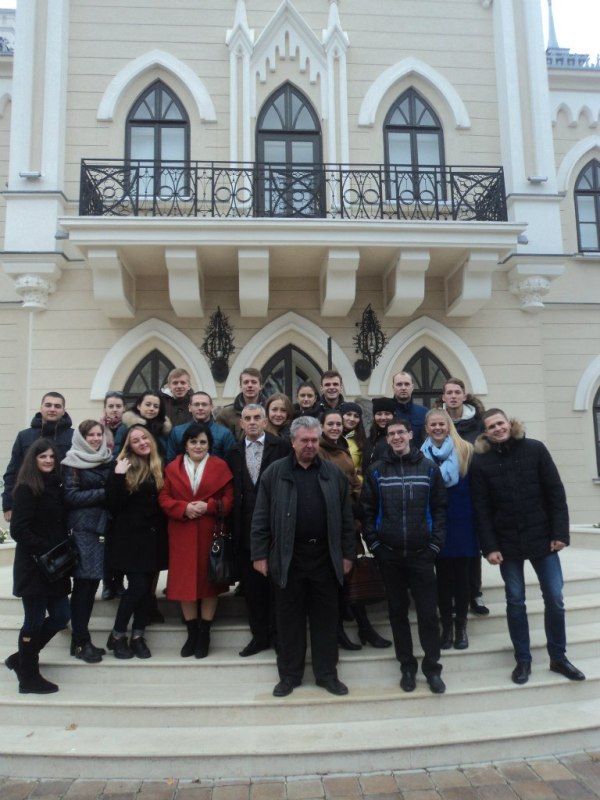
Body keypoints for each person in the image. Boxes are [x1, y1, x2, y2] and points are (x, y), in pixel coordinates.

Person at [470, 408, 585, 685]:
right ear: (486, 432)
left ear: (509, 424)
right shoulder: (481, 462)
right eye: (491, 426)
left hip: (543, 538)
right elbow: (481, 509)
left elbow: (555, 492)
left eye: (500, 423)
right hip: (506, 543)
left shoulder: (535, 449)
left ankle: (558, 657)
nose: (497, 429)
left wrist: (560, 533)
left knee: (555, 598)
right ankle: (523, 660)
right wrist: (489, 547)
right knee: (515, 601)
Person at [251, 416, 355, 697]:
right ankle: (289, 676)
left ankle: (327, 675)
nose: (310, 445)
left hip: (325, 558)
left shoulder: (333, 474)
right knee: (288, 622)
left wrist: (347, 555)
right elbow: (260, 517)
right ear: (293, 441)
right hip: (288, 558)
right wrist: (259, 554)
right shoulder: (274, 473)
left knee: (326, 620)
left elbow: (346, 518)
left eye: (314, 440)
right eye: (304, 440)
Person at [361, 419, 447, 694]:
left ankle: (432, 668)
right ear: (386, 439)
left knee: (428, 615)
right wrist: (376, 546)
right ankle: (407, 667)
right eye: (391, 434)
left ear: (410, 435)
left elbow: (440, 508)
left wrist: (435, 545)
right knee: (397, 613)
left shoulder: (429, 468)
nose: (396, 437)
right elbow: (366, 511)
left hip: (422, 555)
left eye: (401, 432)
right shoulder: (376, 471)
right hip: (390, 556)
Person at [159, 422, 234, 659]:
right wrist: (183, 508)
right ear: (185, 445)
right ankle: (192, 632)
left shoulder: (220, 466)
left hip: (209, 531)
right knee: (184, 583)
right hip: (181, 531)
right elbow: (164, 498)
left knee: (208, 583)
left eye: (203, 442)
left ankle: (205, 633)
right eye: (193, 442)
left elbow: (229, 499)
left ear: (209, 444)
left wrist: (209, 506)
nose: (198, 446)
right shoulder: (172, 467)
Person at [319, 409, 391, 651]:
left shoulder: (341, 447)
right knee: (335, 579)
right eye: (330, 424)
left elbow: (353, 482)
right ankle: (339, 630)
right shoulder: (319, 450)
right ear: (322, 426)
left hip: (349, 521)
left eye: (338, 424)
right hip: (330, 524)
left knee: (352, 574)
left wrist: (362, 507)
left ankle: (364, 627)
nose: (335, 427)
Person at [4, 439, 71, 694]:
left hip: (55, 567)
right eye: (43, 456)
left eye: (52, 457)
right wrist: (46, 548)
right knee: (33, 621)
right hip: (34, 567)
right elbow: (18, 530)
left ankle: (21, 659)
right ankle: (29, 677)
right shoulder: (26, 488)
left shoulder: (55, 485)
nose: (48, 460)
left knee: (61, 615)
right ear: (33, 459)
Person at [227, 404, 291, 656]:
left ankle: (279, 636)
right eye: (247, 418)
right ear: (241, 423)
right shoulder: (233, 452)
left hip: (277, 529)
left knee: (278, 588)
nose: (252, 422)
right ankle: (259, 636)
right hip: (245, 532)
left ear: (265, 422)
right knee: (253, 589)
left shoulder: (281, 447)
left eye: (257, 418)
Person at [105, 426, 168, 659]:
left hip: (154, 540)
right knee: (138, 587)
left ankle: (138, 636)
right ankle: (118, 634)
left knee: (147, 591)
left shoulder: (159, 465)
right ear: (129, 445)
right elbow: (112, 505)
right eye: (135, 440)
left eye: (144, 438)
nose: (142, 442)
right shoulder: (122, 465)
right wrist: (118, 476)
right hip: (130, 541)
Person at [421, 409, 477, 650]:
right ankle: (446, 627)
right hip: (436, 522)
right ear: (427, 428)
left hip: (462, 521)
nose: (437, 428)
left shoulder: (465, 450)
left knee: (462, 579)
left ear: (448, 425)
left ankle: (461, 626)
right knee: (442, 579)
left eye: (441, 424)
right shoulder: (420, 455)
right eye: (433, 424)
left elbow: (476, 487)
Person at [62, 420, 114, 663]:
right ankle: (81, 640)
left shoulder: (108, 459)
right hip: (83, 530)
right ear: (81, 438)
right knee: (84, 585)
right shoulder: (72, 462)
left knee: (92, 585)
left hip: (103, 528)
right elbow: (71, 497)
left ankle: (80, 641)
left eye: (98, 434)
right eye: (90, 435)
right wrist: (105, 493)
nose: (95, 439)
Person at [440, 377, 489, 616]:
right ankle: (450, 593)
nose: (453, 396)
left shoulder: (478, 424)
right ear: (443, 397)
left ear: (464, 395)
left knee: (472, 545)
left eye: (457, 392)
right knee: (448, 546)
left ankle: (474, 593)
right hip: (447, 493)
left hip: (472, 489)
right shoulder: (438, 422)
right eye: (448, 392)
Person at [2, 392, 74, 522]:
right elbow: (12, 472)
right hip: (30, 500)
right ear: (41, 408)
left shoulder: (74, 436)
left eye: (57, 406)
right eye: (48, 405)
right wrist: (8, 504)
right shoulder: (24, 436)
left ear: (63, 411)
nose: (52, 409)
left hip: (63, 502)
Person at [167, 391, 236, 462]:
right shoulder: (177, 432)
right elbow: (171, 460)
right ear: (190, 407)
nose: (200, 408)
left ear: (211, 407)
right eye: (196, 404)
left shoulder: (225, 433)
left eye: (204, 404)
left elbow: (231, 461)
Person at [113, 391, 172, 460]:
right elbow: (118, 455)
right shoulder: (125, 428)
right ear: (139, 406)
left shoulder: (163, 429)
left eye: (156, 406)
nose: (151, 409)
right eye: (148, 405)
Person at [216, 368, 266, 439]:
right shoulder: (226, 414)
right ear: (240, 386)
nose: (250, 385)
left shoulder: (270, 411)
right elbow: (221, 440)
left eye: (254, 382)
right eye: (246, 382)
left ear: (260, 386)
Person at [390, 371, 428, 447]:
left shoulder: (424, 413)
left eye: (407, 384)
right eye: (399, 384)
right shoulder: (387, 413)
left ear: (412, 387)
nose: (403, 388)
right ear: (393, 387)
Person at [362, 397, 396, 473]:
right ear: (374, 416)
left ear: (393, 415)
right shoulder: (369, 440)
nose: (383, 417)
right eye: (379, 414)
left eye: (387, 414)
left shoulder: (398, 439)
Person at [341, 402, 367, 477]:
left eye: (356, 416)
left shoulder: (362, 441)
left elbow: (361, 470)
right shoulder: (331, 437)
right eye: (348, 414)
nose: (352, 419)